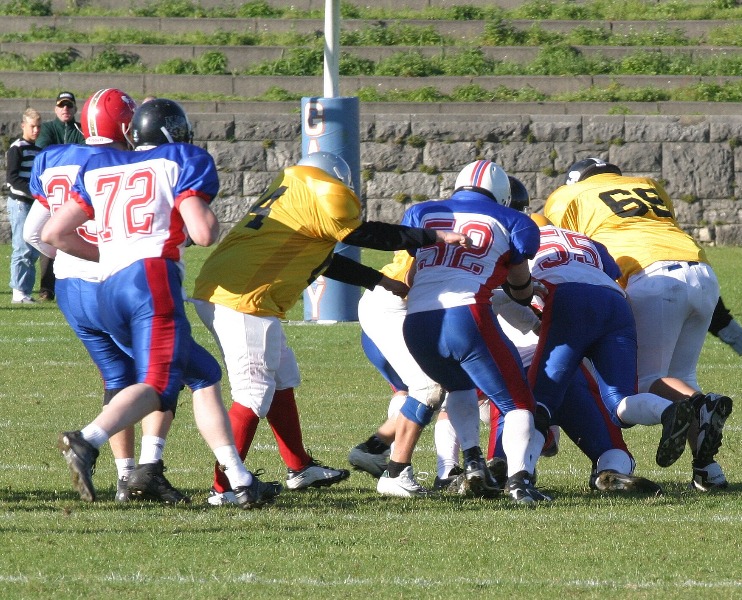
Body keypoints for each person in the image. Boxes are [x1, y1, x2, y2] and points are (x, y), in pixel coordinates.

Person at [190, 150, 472, 505]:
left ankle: (299, 467)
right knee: (252, 394)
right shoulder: (327, 191)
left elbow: (320, 258)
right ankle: (225, 488)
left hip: (223, 287)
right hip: (244, 299)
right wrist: (432, 236)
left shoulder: (293, 190)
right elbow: (368, 235)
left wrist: (379, 280)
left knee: (283, 377)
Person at [41, 98, 281, 509]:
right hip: (151, 279)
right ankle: (87, 439)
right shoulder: (179, 160)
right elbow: (203, 233)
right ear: (174, 132)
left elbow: (53, 233)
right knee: (158, 385)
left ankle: (240, 481)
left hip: (108, 288)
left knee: (203, 373)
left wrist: (111, 254)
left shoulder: (102, 165)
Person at [24, 89, 205, 504]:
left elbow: (36, 233)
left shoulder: (54, 157)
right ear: (126, 126)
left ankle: (125, 475)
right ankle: (147, 468)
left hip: (70, 288)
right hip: (122, 282)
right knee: (166, 372)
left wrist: (73, 257)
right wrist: (106, 254)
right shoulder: (124, 161)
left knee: (117, 378)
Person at [544, 157, 734, 491]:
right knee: (680, 378)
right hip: (700, 270)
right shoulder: (648, 184)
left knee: (646, 381)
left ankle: (701, 405)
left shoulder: (567, 196)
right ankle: (708, 470)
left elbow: (559, 244)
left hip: (649, 274)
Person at [378, 160, 551, 505]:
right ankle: (520, 483)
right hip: (466, 316)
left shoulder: (423, 212)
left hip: (417, 321)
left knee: (459, 387)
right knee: (518, 402)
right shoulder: (513, 220)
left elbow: (413, 275)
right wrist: (526, 290)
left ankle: (472, 462)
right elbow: (520, 288)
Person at [524, 214, 686, 477]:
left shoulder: (523, 236)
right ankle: (668, 410)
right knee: (619, 402)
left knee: (539, 401)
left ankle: (521, 475)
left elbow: (513, 283)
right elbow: (611, 272)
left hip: (568, 299)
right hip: (615, 302)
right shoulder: (583, 239)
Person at [35, 91, 86, 301]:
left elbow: (85, 151)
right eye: (62, 105)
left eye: (69, 105)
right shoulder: (48, 128)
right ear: (56, 108)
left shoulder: (80, 129)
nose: (65, 109)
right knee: (40, 234)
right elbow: (42, 150)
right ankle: (46, 288)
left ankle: (72, 284)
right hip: (53, 190)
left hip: (74, 190)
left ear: (75, 108)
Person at [6, 108, 42, 304]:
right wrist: (33, 192)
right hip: (20, 202)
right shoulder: (17, 148)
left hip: (33, 203)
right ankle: (18, 291)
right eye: (32, 126)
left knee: (32, 247)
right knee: (21, 246)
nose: (36, 130)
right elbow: (12, 179)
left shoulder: (38, 150)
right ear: (23, 126)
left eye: (38, 127)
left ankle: (25, 291)